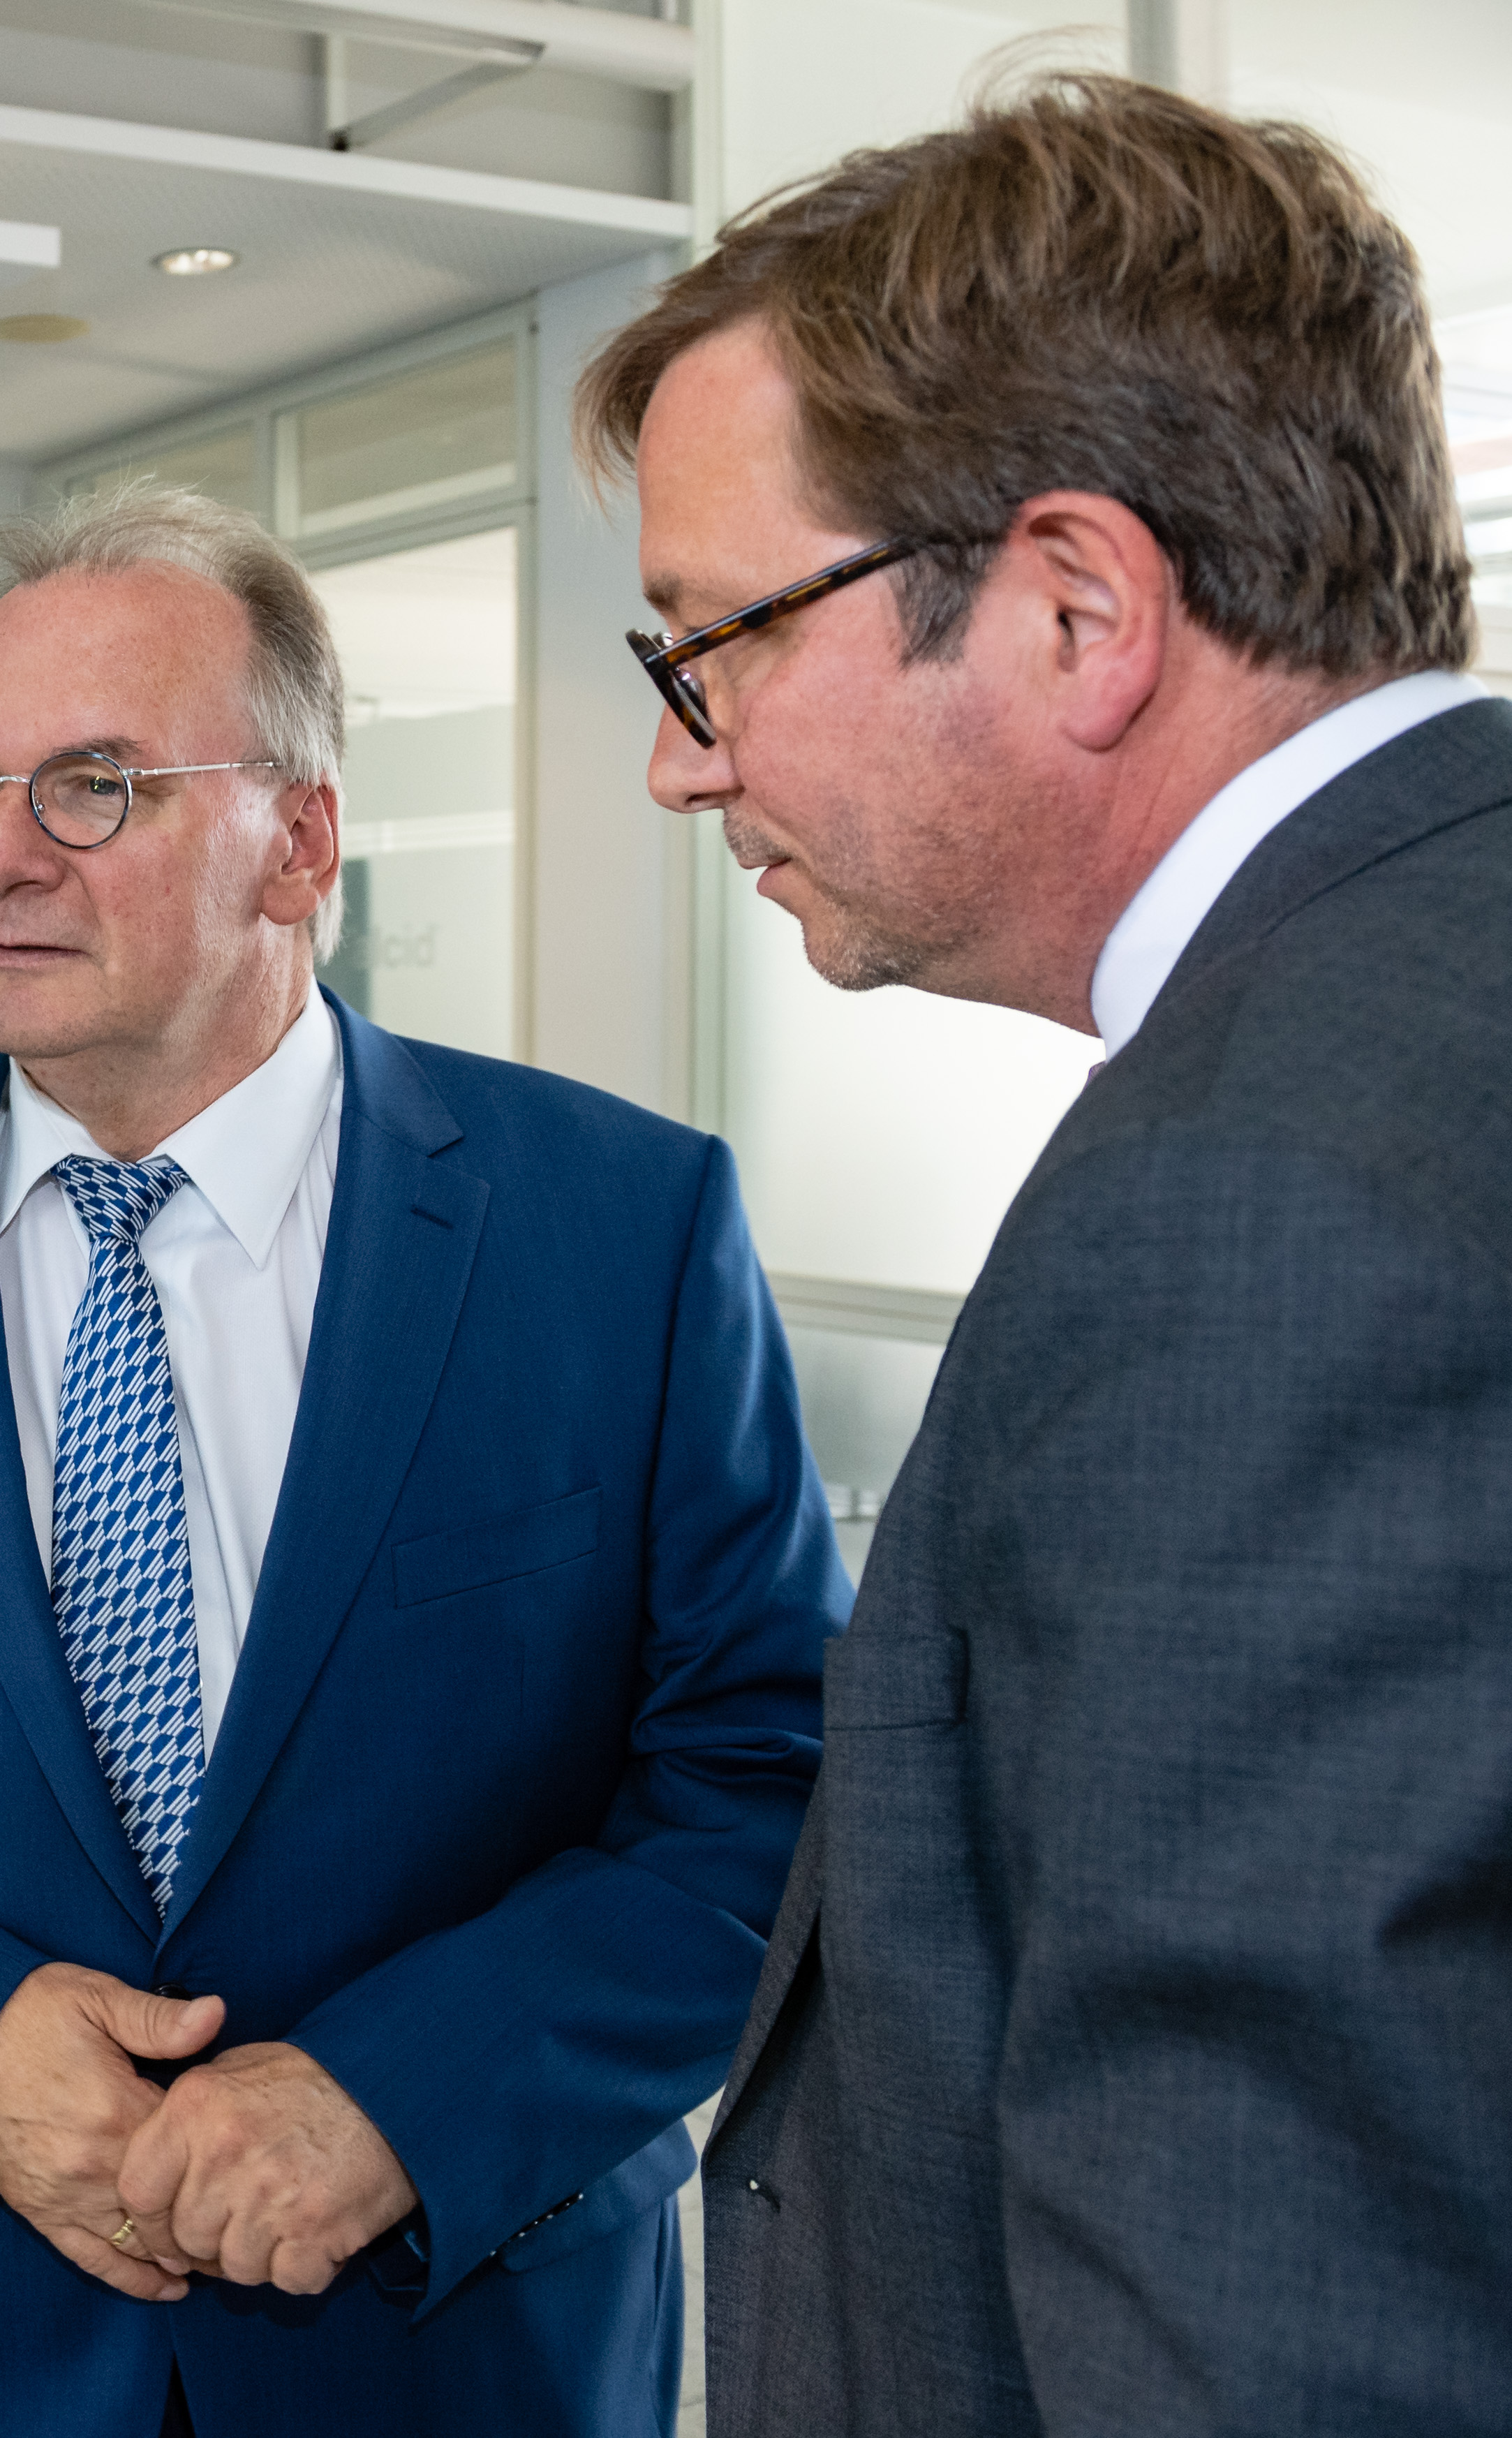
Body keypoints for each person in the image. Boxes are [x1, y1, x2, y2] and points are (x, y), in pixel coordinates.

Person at [0, 485, 842, 2435]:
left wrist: (399, 2096)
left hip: (448, 2351)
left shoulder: (619, 1230)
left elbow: (765, 1778)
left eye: (92, 787)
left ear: (299, 841)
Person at [578, 73, 1511, 2435]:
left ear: (1074, 608)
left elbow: (1272, 2305)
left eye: (711, 642)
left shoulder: (1259, 1202)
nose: (681, 759)